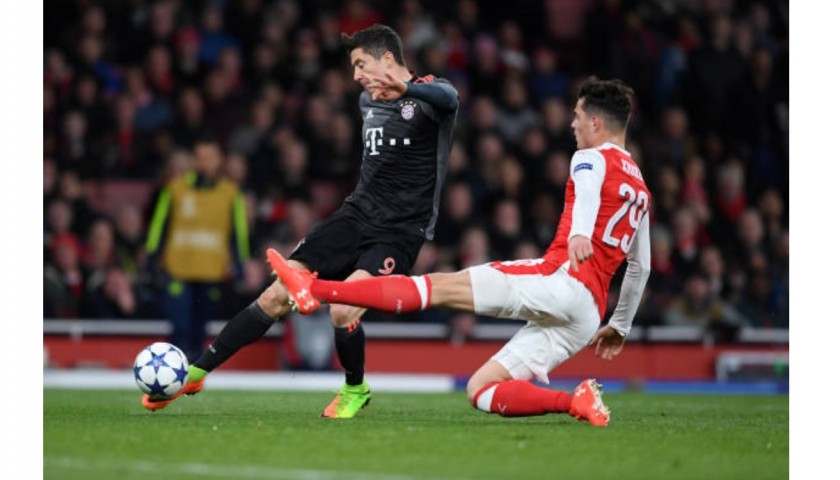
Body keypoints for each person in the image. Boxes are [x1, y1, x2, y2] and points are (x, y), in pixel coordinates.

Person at [267, 78, 650, 426]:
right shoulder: (642, 190)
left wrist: (580, 233)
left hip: (561, 279)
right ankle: (575, 402)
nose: (572, 124)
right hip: (588, 314)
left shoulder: (591, 157)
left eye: (578, 116)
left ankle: (313, 289)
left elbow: (585, 192)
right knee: (482, 389)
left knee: (436, 287)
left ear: (597, 124)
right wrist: (620, 326)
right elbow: (640, 267)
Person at [142, 24, 460, 418]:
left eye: (361, 64)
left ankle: (355, 387)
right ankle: (197, 371)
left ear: (388, 60)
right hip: (354, 215)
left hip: (398, 232)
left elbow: (450, 97)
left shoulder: (430, 96)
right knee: (276, 294)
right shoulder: (367, 103)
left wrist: (405, 89)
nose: (356, 75)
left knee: (343, 312)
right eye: (353, 67)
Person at [144, 134, 250, 362]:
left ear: (219, 160)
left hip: (211, 271)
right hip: (178, 270)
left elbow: (238, 234)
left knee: (200, 329)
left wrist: (241, 264)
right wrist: (151, 260)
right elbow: (158, 228)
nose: (206, 163)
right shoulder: (174, 189)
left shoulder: (231, 194)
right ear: (195, 160)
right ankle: (173, 369)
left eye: (210, 157)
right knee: (179, 326)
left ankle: (191, 374)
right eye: (201, 157)